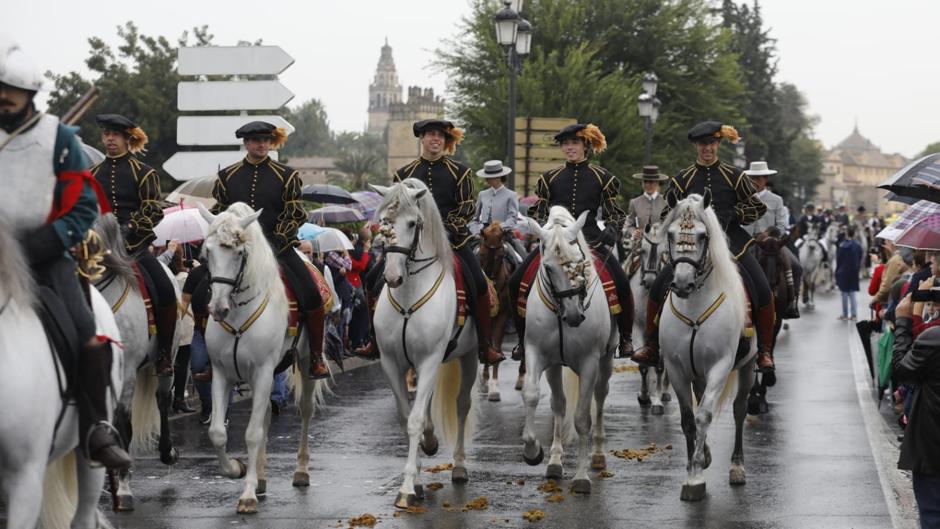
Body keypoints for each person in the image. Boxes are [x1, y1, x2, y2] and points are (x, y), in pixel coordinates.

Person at [0, 41, 131, 468]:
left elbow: (83, 206)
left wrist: (48, 240)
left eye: (10, 89)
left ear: (28, 94)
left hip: (46, 254)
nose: (2, 95)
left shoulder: (58, 139)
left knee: (84, 329)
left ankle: (96, 428)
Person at [631, 121, 777, 373]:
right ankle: (653, 345)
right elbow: (667, 212)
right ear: (695, 147)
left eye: (711, 143)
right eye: (702, 144)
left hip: (733, 244)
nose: (706, 148)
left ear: (718, 144)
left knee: (762, 289)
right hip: (690, 246)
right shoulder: (682, 177)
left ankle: (764, 350)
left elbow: (757, 207)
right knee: (657, 287)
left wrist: (735, 214)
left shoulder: (734, 176)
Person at [211, 121, 329, 379]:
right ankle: (209, 359)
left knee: (311, 294)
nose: (261, 144)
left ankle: (317, 357)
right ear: (246, 143)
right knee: (200, 290)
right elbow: (219, 212)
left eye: (266, 140)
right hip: (236, 250)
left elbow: (294, 212)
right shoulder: (227, 176)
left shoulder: (286, 175)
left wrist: (276, 241)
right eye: (255, 140)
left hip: (278, 249)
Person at [506, 123, 635, 359]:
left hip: (592, 241)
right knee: (515, 282)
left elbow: (615, 213)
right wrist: (542, 227)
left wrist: (613, 229)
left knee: (622, 282)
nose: (569, 148)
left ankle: (626, 338)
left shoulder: (603, 177)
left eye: (574, 143)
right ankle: (522, 342)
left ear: (586, 145)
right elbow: (538, 211)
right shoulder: (549, 178)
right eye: (565, 144)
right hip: (555, 243)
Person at [392, 119, 505, 365]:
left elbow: (466, 207)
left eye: (441, 136)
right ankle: (374, 339)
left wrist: (443, 229)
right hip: (411, 244)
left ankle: (485, 346)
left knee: (479, 283)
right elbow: (396, 209)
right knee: (375, 277)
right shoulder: (403, 174)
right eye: (431, 135)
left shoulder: (460, 171)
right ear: (421, 138)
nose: (436, 140)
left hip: (452, 242)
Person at [90, 113, 177, 376]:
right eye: (106, 134)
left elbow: (153, 210)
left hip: (135, 248)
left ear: (128, 138)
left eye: (115, 135)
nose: (110, 139)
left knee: (164, 289)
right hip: (99, 251)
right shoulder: (92, 174)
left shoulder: (145, 172)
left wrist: (130, 228)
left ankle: (163, 354)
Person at [892, 292, 940, 528]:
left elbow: (901, 369)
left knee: (932, 515)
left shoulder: (934, 338)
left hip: (933, 447)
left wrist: (903, 321)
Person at [743, 161, 801, 318]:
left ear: (765, 179)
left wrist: (769, 234)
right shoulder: (743, 199)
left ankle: (792, 302)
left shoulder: (776, 200)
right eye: (752, 178)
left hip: (773, 245)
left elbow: (782, 226)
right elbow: (741, 224)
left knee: (796, 266)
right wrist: (753, 235)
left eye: (758, 178)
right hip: (749, 244)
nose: (754, 182)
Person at [469, 159, 524, 261]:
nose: (487, 180)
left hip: (503, 234)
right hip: (483, 235)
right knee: (468, 258)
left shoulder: (511, 195)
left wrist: (498, 229)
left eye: (489, 178)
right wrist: (476, 232)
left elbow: (512, 219)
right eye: (486, 177)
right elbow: (473, 218)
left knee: (520, 258)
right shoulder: (482, 194)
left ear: (498, 177)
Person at [625, 165, 668, 237]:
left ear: (657, 183)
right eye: (645, 182)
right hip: (639, 245)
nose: (647, 185)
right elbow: (629, 225)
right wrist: (634, 232)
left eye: (651, 182)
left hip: (660, 244)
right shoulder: (634, 202)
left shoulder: (666, 202)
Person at [836, 226, 863, 320]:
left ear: (847, 234)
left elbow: (838, 259)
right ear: (854, 234)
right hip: (854, 271)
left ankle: (844, 314)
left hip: (843, 271)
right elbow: (860, 257)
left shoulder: (842, 245)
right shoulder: (857, 245)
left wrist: (837, 271)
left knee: (844, 293)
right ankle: (854, 315)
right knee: (852, 294)